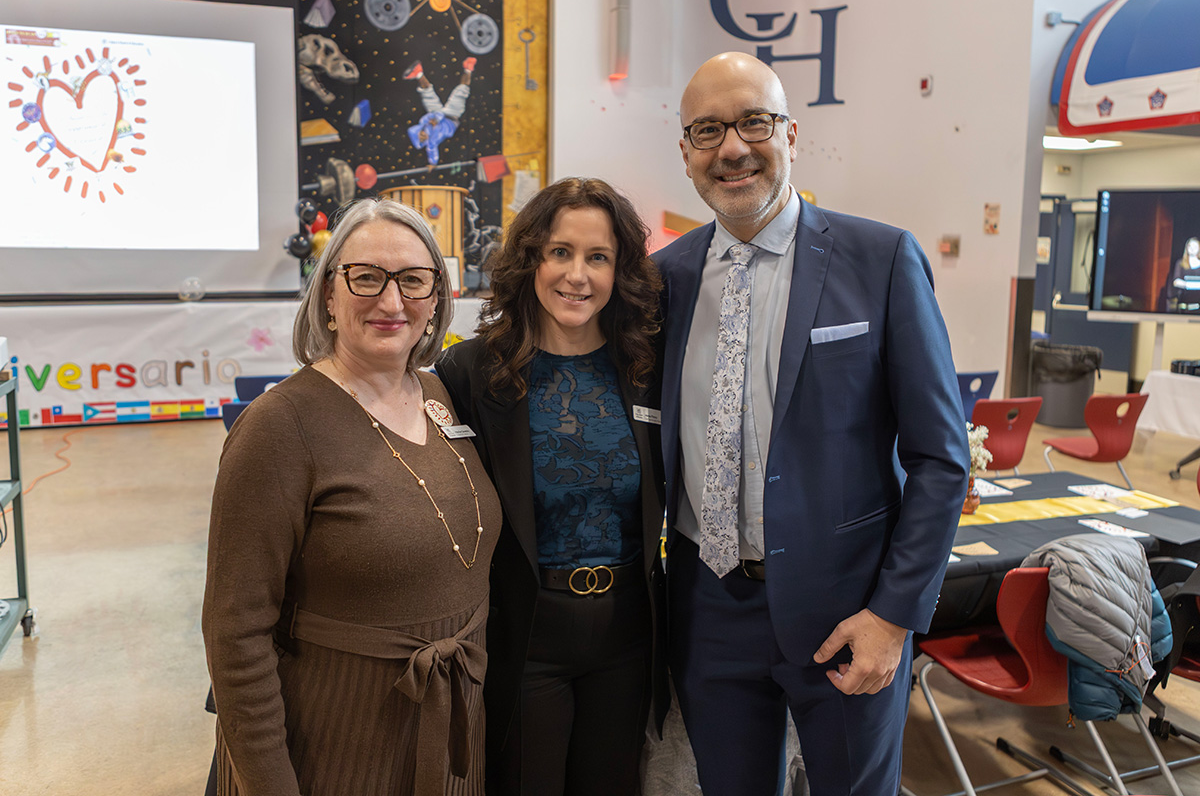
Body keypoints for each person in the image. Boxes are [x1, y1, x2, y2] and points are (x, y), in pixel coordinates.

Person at [655, 52, 969, 795]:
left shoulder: (881, 258)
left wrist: (893, 617)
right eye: (708, 130)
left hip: (847, 611)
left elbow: (940, 458)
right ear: (687, 153)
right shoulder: (663, 280)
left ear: (792, 134)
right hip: (708, 610)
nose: (732, 148)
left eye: (753, 122)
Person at [203, 198, 502, 796]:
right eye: (366, 277)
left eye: (414, 281)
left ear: (436, 299)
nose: (392, 303)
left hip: (446, 734)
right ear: (328, 297)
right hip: (334, 743)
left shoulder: (441, 396)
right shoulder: (279, 426)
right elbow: (235, 632)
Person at [437, 177, 666, 795]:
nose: (577, 275)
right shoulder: (471, 373)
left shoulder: (645, 368)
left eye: (599, 257)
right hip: (525, 630)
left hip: (627, 636)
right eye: (560, 252)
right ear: (531, 258)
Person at [405, 57, 475, 167]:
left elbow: (437, 114)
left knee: (427, 93)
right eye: (423, 139)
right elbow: (432, 150)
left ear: (419, 131)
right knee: (461, 91)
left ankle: (418, 73)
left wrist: (435, 119)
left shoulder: (423, 122)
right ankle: (468, 69)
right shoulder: (432, 140)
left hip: (439, 113)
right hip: (452, 115)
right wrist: (432, 163)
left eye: (421, 135)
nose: (424, 136)